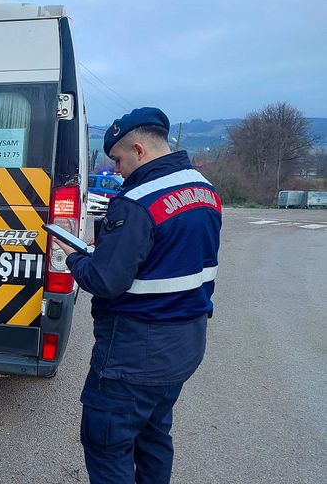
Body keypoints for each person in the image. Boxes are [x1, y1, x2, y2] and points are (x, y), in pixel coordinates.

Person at [54, 107, 222, 483]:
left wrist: (75, 257)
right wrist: (112, 236)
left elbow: (105, 280)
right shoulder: (204, 190)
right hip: (184, 346)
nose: (116, 170)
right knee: (153, 437)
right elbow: (168, 246)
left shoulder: (136, 201)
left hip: (133, 355)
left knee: (107, 445)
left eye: (118, 160)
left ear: (139, 149)